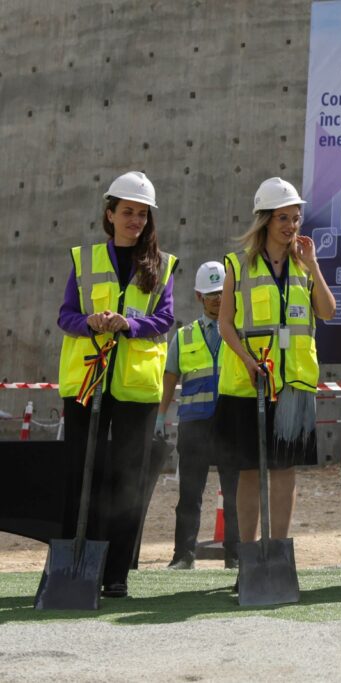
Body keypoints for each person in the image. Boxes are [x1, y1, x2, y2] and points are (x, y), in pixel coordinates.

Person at [57, 171, 177, 598]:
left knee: (127, 480)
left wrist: (129, 323)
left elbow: (165, 319)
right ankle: (73, 568)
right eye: (128, 212)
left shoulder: (162, 266)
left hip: (137, 386)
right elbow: (65, 316)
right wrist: (89, 322)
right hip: (88, 382)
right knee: (82, 474)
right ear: (109, 214)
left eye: (142, 214)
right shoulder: (84, 260)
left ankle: (116, 575)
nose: (136, 221)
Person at [216, 178, 335, 569]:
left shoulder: (304, 266)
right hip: (249, 386)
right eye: (283, 218)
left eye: (296, 219)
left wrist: (314, 265)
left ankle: (280, 555)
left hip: (295, 385)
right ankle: (247, 558)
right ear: (265, 220)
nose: (291, 226)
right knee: (249, 472)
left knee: (285, 471)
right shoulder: (238, 264)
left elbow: (328, 311)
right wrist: (249, 362)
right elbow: (225, 325)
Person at [158, 262, 239, 570]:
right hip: (194, 425)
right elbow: (170, 376)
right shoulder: (184, 336)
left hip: (231, 423)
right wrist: (161, 416)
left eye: (221, 293)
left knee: (234, 494)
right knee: (189, 495)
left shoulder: (239, 330)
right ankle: (183, 555)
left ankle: (235, 555)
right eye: (210, 294)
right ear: (198, 297)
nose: (217, 300)